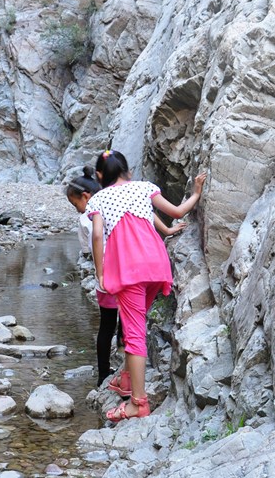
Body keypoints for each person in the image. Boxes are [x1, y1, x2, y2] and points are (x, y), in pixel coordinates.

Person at [87, 151, 206, 421]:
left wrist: (100, 272)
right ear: (126, 170)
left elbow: (96, 234)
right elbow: (175, 212)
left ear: (100, 175)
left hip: (129, 271)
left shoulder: (99, 199)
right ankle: (128, 378)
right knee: (137, 321)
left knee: (134, 334)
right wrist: (196, 194)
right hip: (156, 264)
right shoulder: (144, 188)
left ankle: (137, 403)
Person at [67, 168, 186, 389]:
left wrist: (100, 273)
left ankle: (105, 373)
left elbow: (90, 249)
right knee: (128, 326)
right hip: (130, 271)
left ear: (85, 197)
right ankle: (126, 370)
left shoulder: (90, 214)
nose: (78, 210)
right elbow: (147, 212)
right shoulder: (122, 199)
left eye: (76, 205)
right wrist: (167, 231)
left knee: (107, 326)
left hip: (108, 278)